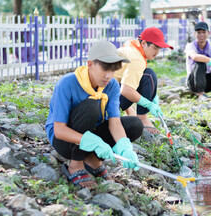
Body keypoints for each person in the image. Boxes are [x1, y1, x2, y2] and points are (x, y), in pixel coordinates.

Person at [45, 40, 144, 189]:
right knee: (91, 106)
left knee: (135, 124)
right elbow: (59, 130)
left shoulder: (112, 86)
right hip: (65, 141)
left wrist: (125, 147)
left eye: (113, 70)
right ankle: (76, 164)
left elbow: (115, 123)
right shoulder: (67, 83)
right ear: (90, 64)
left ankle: (93, 160)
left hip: (93, 134)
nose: (109, 75)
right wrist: (87, 140)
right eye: (105, 69)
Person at [114, 27, 173, 134]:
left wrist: (129, 109)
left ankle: (131, 111)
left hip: (105, 96)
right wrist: (148, 104)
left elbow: (122, 76)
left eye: (159, 48)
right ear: (144, 43)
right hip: (108, 101)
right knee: (148, 75)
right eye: (155, 47)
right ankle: (142, 118)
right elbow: (125, 90)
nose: (157, 52)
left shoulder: (131, 46)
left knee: (142, 74)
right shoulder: (136, 58)